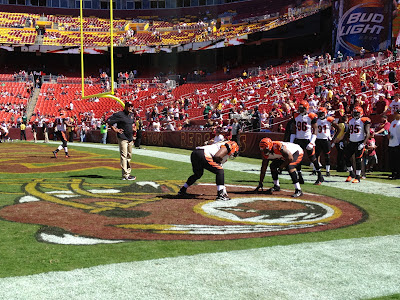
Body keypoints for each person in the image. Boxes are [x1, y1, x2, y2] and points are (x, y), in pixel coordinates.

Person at [290, 100, 324, 185]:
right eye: (300, 108)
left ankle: (320, 176)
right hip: (298, 139)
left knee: (313, 158)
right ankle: (300, 176)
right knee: (297, 158)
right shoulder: (296, 115)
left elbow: (315, 130)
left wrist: (312, 142)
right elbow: (294, 129)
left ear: (306, 108)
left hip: (307, 139)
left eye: (302, 108)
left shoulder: (311, 116)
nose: (300, 110)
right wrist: (291, 142)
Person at [106, 101, 137, 180]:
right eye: (129, 106)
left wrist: (133, 129)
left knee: (129, 156)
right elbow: (109, 120)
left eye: (131, 106)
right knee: (124, 156)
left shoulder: (131, 115)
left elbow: (132, 124)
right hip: (123, 137)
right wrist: (115, 129)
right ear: (125, 106)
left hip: (130, 138)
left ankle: (128, 173)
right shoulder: (120, 114)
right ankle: (125, 175)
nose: (130, 108)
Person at [343, 106, 371, 183]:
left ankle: (358, 177)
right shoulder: (351, 120)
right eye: (354, 113)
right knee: (346, 157)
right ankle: (351, 173)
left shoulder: (364, 120)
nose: (355, 114)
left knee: (358, 159)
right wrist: (343, 140)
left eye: (357, 113)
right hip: (351, 142)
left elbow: (368, 133)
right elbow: (348, 132)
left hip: (359, 142)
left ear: (361, 113)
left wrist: (363, 143)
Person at [315, 107, 339, 176]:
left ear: (325, 113)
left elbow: (338, 128)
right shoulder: (316, 120)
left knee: (327, 156)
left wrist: (334, 137)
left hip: (326, 139)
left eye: (322, 113)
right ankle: (315, 170)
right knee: (316, 155)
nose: (321, 114)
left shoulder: (329, 120)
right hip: (318, 139)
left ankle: (327, 171)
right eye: (320, 113)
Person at [388, 109, 400, 179]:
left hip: (398, 143)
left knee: (397, 160)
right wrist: (389, 135)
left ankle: (398, 174)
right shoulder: (393, 122)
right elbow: (390, 131)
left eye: (397, 114)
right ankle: (393, 173)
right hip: (391, 143)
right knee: (392, 160)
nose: (395, 115)